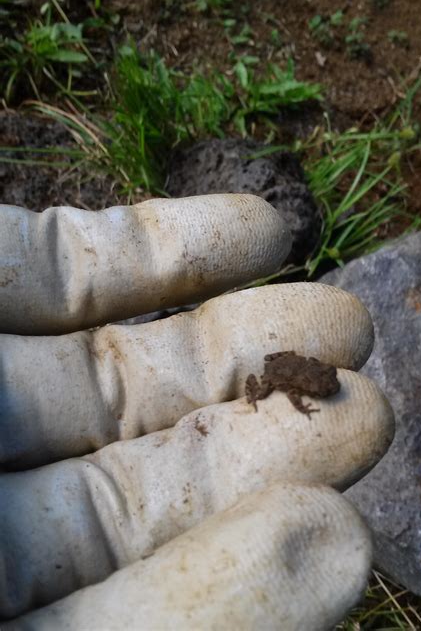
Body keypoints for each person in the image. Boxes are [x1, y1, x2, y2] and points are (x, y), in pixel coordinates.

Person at [0, 194, 394, 630]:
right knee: (261, 385)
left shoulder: (315, 376)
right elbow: (297, 387)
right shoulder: (302, 384)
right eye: (324, 386)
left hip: (287, 366)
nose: (326, 386)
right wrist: (290, 402)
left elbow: (313, 377)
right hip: (276, 372)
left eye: (325, 386)